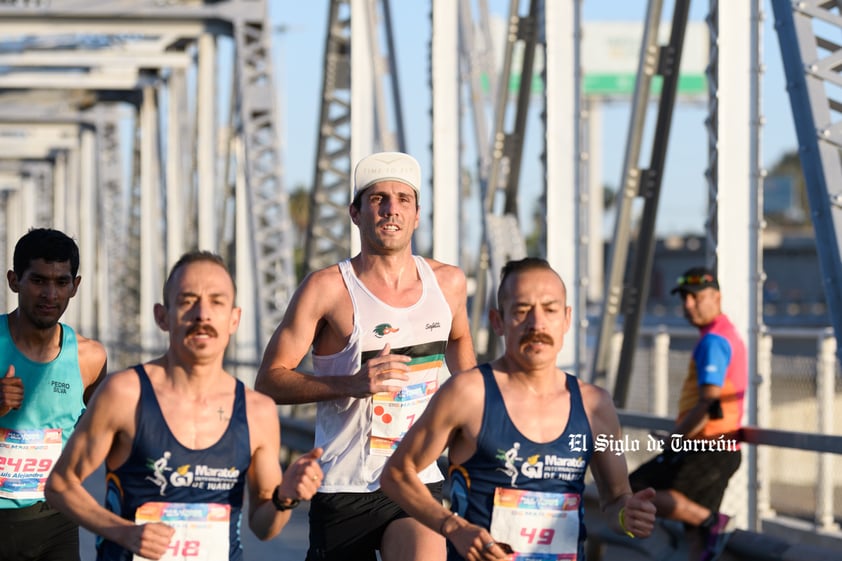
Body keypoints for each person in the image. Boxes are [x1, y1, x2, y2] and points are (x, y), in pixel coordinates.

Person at [255, 151, 476, 561]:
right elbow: (269, 379)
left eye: (402, 199)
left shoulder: (448, 283)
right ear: (355, 213)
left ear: (417, 213)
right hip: (344, 485)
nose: (391, 210)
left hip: (415, 478)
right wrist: (351, 384)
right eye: (378, 199)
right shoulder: (326, 289)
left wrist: (478, 410)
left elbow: (460, 342)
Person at [45, 251, 324, 561]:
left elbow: (263, 526)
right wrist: (123, 532)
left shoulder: (257, 411)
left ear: (234, 319)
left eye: (217, 302)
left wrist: (285, 497)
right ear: (162, 316)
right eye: (188, 300)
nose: (202, 314)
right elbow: (59, 485)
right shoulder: (125, 394)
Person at [380, 257, 657, 560]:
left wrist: (626, 515)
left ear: (566, 319)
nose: (536, 324)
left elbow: (616, 496)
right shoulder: (468, 394)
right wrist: (454, 527)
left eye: (549, 310)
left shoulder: (595, 406)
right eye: (522, 311)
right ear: (497, 321)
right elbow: (396, 474)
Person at [0, 228, 108, 561]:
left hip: (54, 523)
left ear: (75, 287)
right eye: (38, 280)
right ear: (14, 280)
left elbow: (100, 434)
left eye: (62, 282)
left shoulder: (90, 359)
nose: (50, 294)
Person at [629, 266, 746, 561]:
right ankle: (709, 526)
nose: (688, 305)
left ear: (716, 297)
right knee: (697, 540)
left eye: (696, 297)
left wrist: (675, 439)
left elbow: (709, 403)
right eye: (684, 299)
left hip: (708, 446)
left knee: (637, 489)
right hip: (716, 445)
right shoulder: (722, 334)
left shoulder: (714, 341)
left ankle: (715, 522)